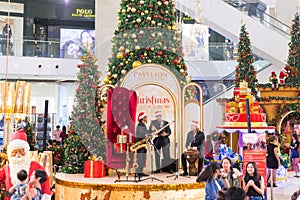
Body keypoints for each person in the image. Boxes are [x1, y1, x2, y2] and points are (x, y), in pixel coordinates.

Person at [0, 129, 52, 200]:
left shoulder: (36, 167)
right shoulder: (6, 169)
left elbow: (45, 186)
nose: (18, 155)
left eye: (21, 152)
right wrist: (7, 195)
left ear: (26, 152)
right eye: (14, 152)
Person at [135, 112, 150, 177]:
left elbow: (145, 133)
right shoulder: (140, 125)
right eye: (145, 117)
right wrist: (148, 134)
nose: (146, 118)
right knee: (140, 158)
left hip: (143, 144)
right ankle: (137, 172)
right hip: (140, 144)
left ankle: (140, 171)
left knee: (143, 158)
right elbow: (142, 134)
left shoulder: (143, 125)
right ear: (142, 118)